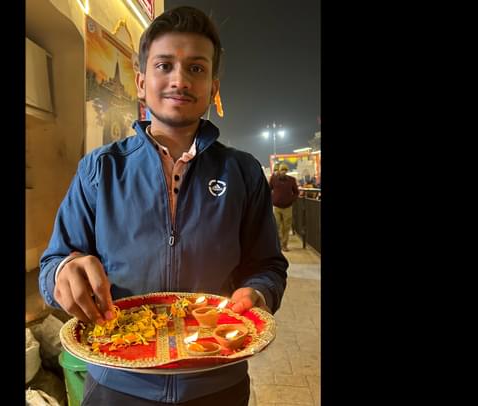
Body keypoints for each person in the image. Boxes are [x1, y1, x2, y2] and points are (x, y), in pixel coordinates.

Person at [39, 6, 288, 405]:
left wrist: (257, 293)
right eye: (164, 65)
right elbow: (51, 265)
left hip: (216, 380)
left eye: (196, 68)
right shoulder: (99, 169)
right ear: (140, 81)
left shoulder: (242, 172)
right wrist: (63, 273)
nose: (179, 80)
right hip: (116, 382)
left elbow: (269, 266)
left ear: (213, 86)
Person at [269, 163, 299, 252]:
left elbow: (296, 192)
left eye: (285, 170)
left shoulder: (292, 180)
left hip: (288, 207)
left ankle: (284, 245)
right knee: (276, 226)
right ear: (279, 170)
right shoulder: (273, 179)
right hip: (276, 207)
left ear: (287, 171)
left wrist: (291, 200)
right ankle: (278, 244)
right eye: (282, 170)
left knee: (286, 227)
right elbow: (268, 189)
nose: (283, 172)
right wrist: (272, 199)